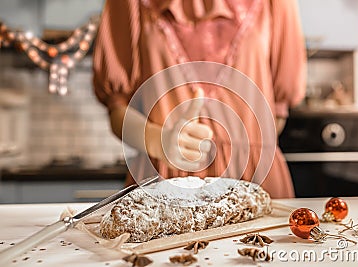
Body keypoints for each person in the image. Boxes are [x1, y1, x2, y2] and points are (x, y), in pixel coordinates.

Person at [93, 0, 306, 198]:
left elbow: (277, 112)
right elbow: (117, 108)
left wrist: (240, 146)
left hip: (257, 181)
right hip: (163, 186)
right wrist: (157, 140)